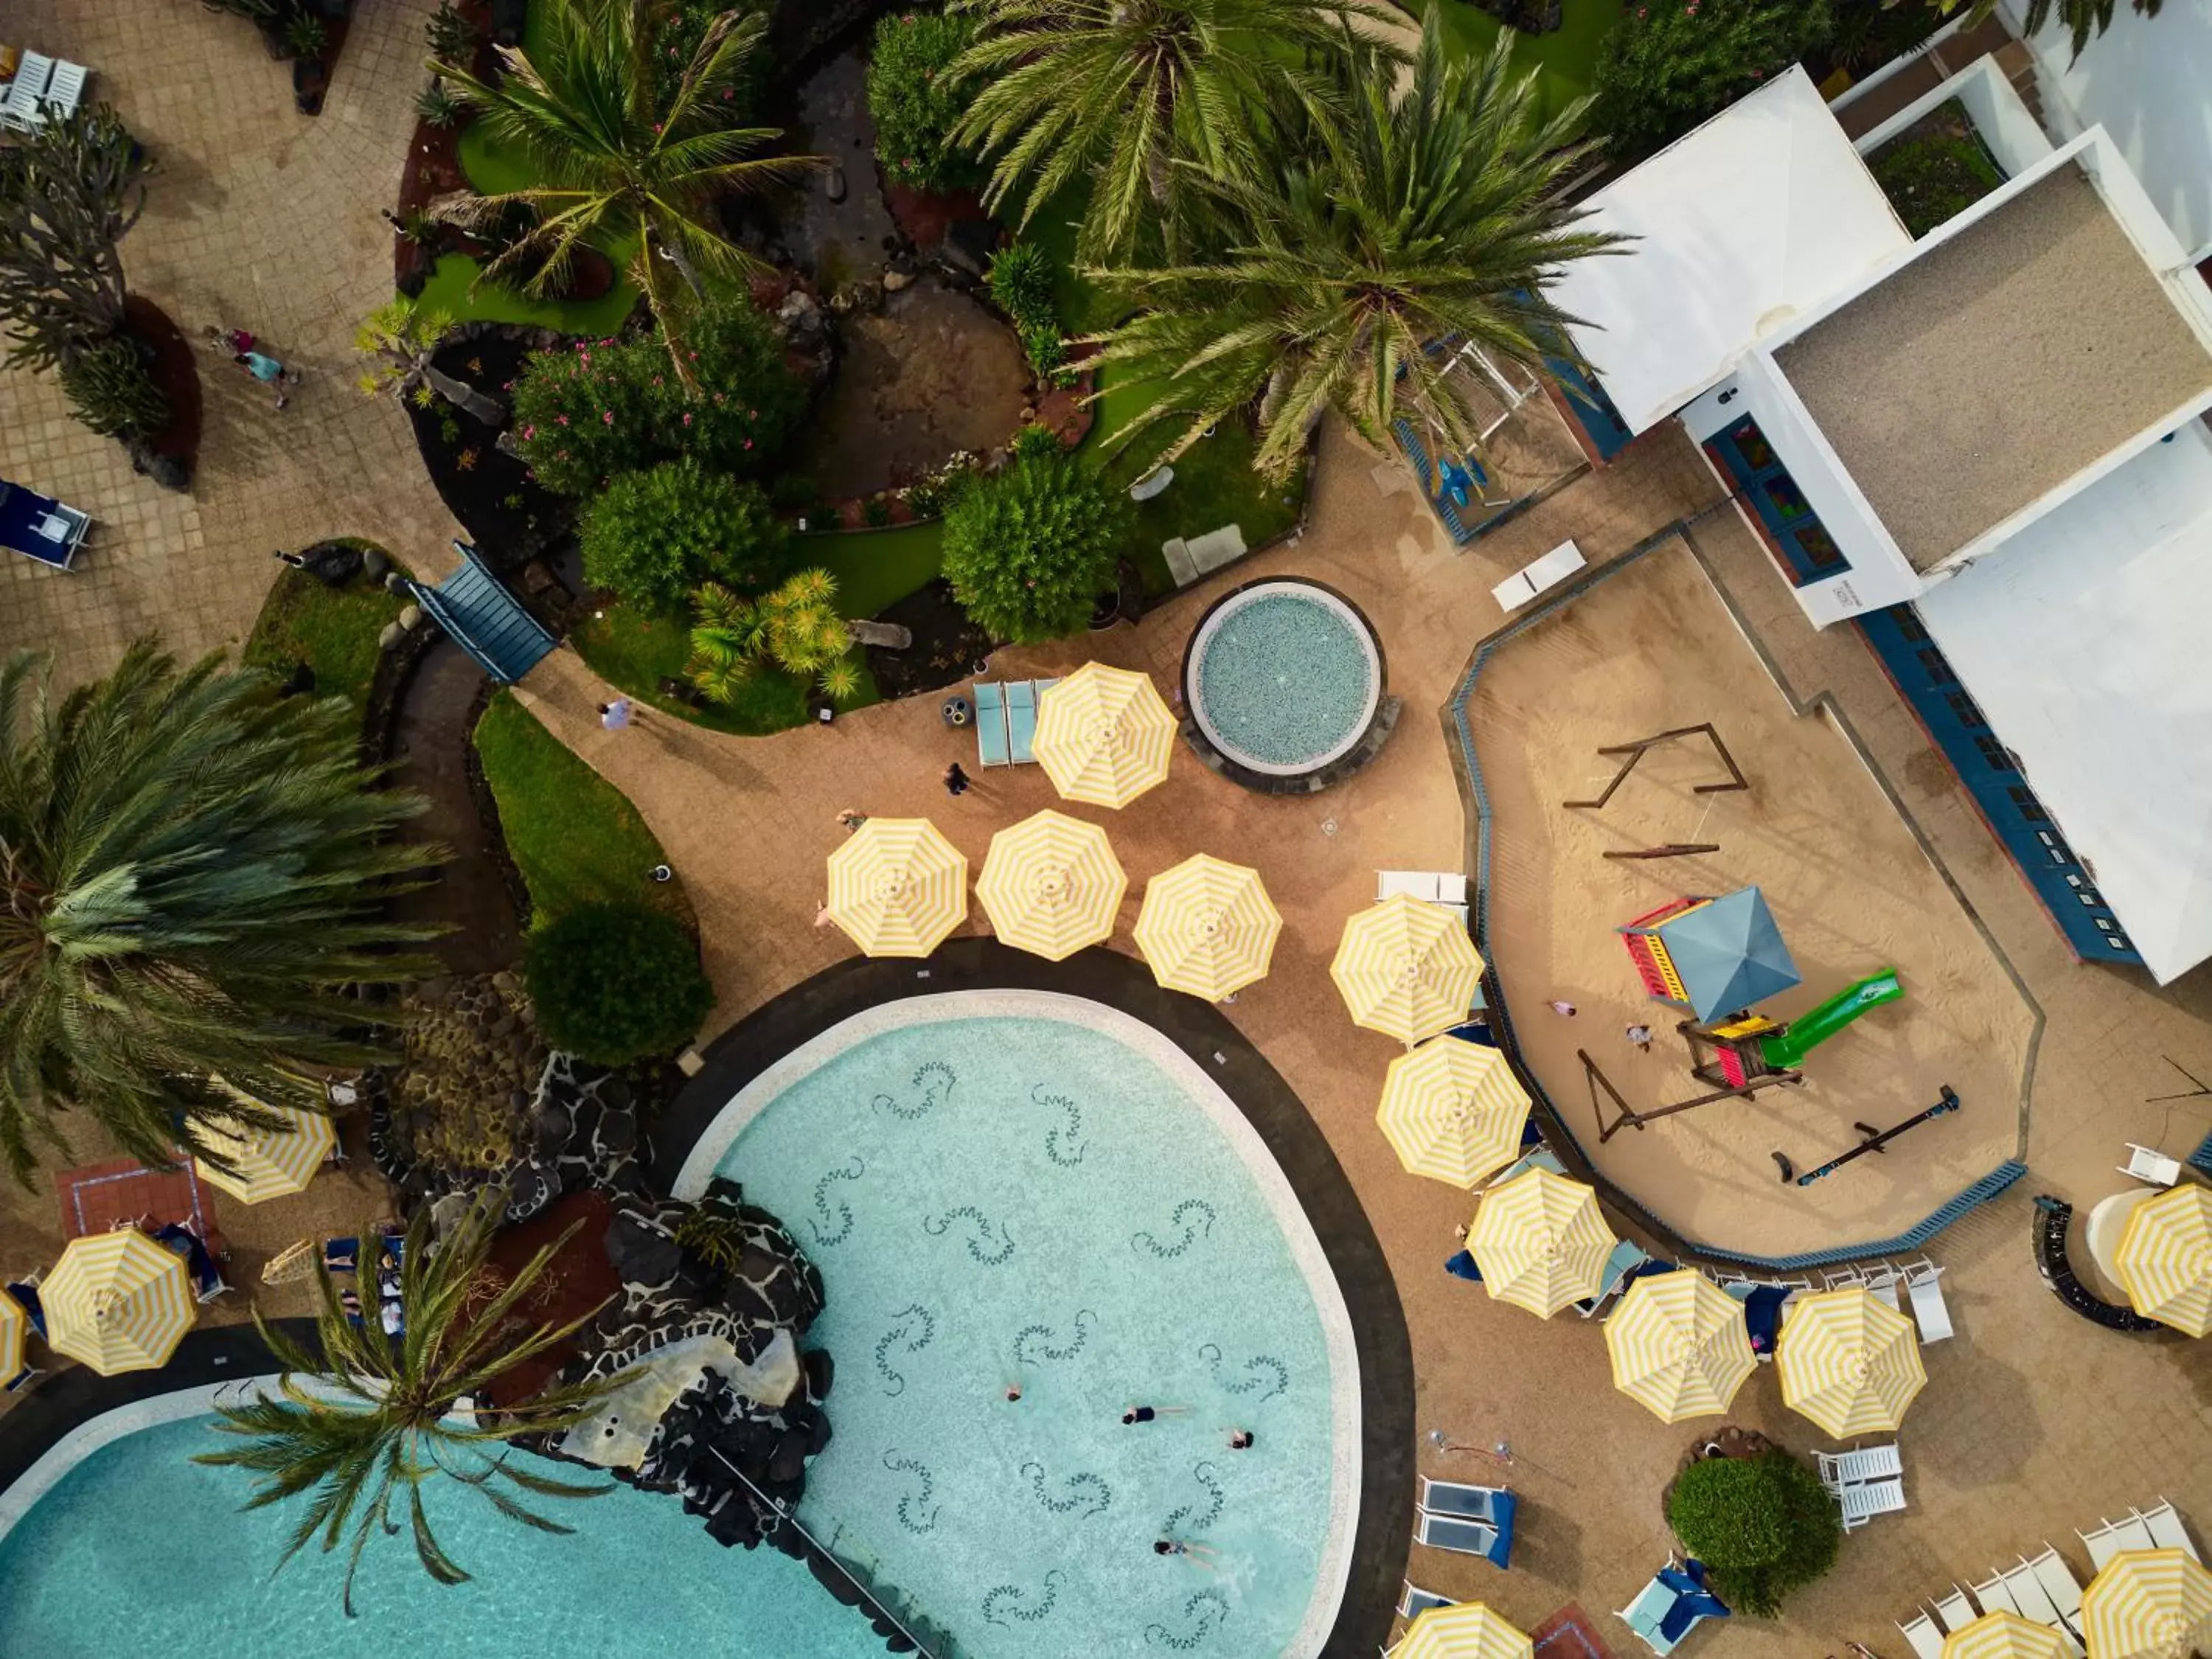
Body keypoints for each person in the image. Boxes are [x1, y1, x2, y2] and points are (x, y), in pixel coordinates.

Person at [234, 349, 299, 409]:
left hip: (275, 371)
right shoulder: (249, 355)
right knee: (282, 378)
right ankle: (291, 380)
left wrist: (277, 381)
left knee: (278, 383)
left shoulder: (262, 365)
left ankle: (284, 395)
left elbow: (274, 373)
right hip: (272, 370)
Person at [1121, 1405, 1189, 1425]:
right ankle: (1183, 1409)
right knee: (1166, 1409)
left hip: (1150, 1418)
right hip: (1150, 1411)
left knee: (1166, 1416)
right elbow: (1133, 1407)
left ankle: (1183, 1414)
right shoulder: (1131, 1411)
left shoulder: (1134, 1421)